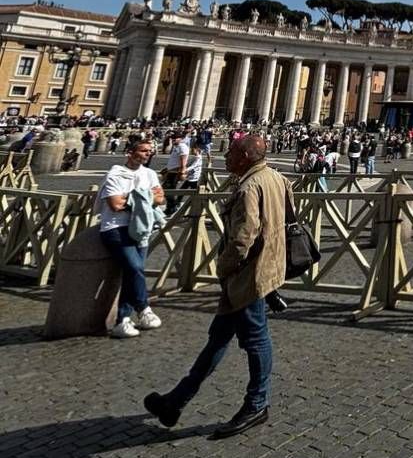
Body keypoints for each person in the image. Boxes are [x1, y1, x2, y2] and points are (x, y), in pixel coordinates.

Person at [143, 135, 288, 440]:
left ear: (246, 157)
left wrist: (223, 267)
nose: (226, 157)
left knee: (257, 340)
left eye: (232, 152)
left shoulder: (250, 186)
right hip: (261, 270)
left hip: (249, 277)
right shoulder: (276, 177)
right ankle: (176, 400)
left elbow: (242, 237)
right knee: (217, 340)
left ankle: (257, 404)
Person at [96, 139, 166, 338]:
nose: (147, 154)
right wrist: (144, 197)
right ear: (130, 152)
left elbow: (161, 199)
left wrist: (133, 197)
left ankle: (123, 320)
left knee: (131, 272)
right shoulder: (115, 174)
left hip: (141, 228)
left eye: (149, 151)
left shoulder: (150, 174)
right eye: (143, 151)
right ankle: (144, 308)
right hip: (115, 228)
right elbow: (115, 205)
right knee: (135, 267)